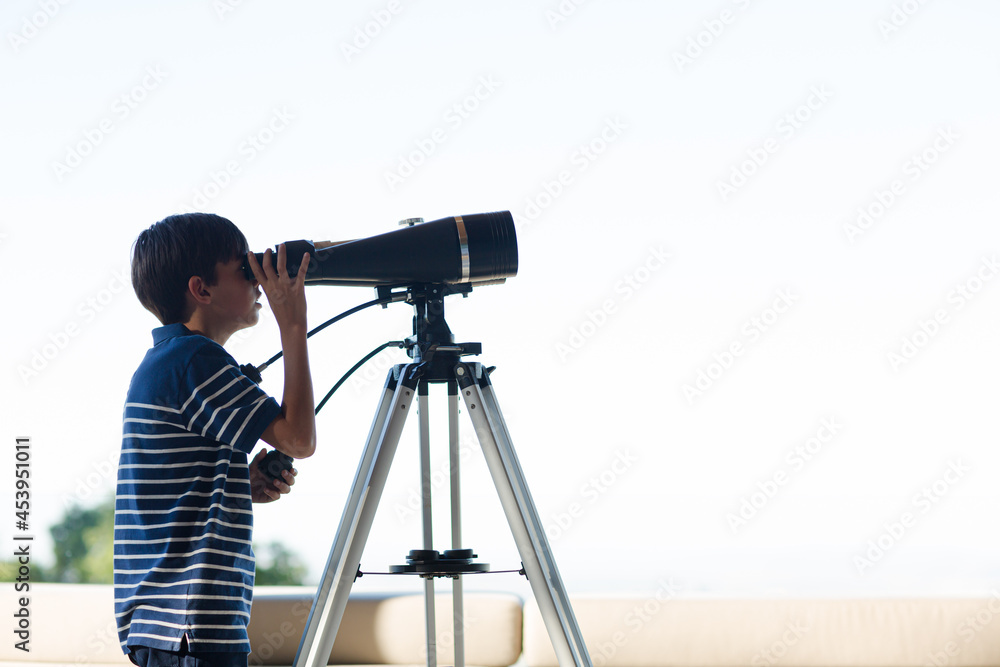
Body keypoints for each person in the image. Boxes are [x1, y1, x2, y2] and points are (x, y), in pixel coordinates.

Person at [114, 212, 316, 666]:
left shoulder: (170, 361)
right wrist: (293, 325)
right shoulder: (197, 360)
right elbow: (299, 439)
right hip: (191, 622)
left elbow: (170, 487)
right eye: (244, 271)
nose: (260, 284)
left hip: (167, 621)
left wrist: (235, 484)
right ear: (201, 290)